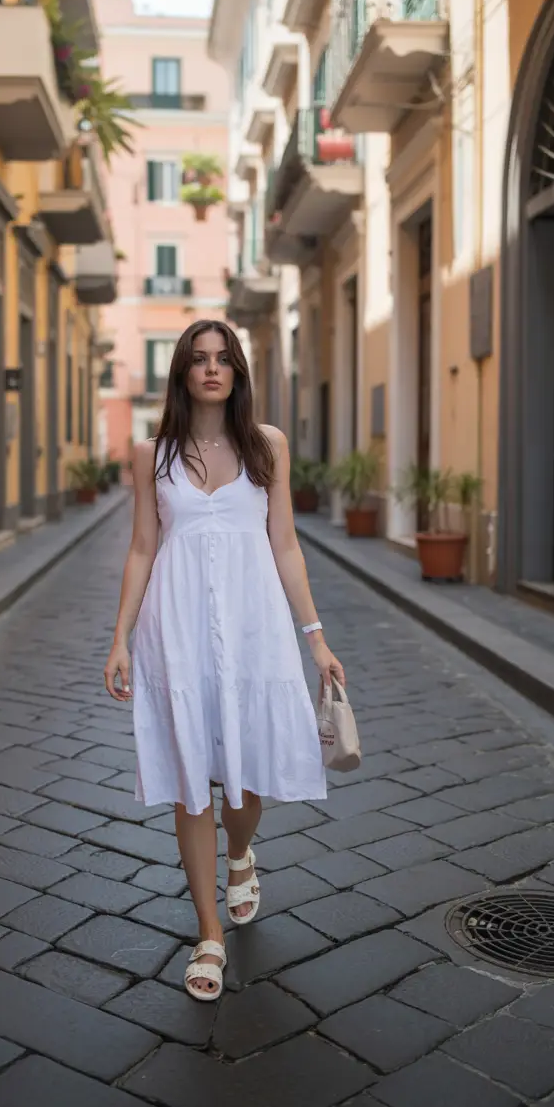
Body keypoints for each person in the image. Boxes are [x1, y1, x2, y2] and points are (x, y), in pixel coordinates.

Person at [104, 320, 345, 1001]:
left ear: (238, 371)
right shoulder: (152, 454)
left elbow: (287, 546)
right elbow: (143, 548)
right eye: (199, 360)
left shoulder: (267, 446)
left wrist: (316, 638)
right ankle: (208, 932)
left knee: (244, 788)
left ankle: (241, 853)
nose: (212, 369)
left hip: (253, 629)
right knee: (191, 781)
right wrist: (120, 637)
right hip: (173, 629)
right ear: (182, 373)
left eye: (223, 359)